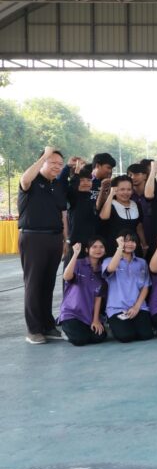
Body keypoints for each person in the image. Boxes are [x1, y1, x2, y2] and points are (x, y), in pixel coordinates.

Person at [18, 146, 68, 344]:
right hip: (33, 238)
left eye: (60, 164)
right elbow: (25, 179)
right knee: (34, 284)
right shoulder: (31, 181)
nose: (57, 166)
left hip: (54, 238)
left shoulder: (57, 186)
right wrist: (45, 155)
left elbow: (63, 214)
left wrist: (65, 240)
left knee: (48, 283)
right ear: (42, 162)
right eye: (52, 162)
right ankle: (33, 329)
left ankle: (47, 325)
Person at [102, 233, 154, 342]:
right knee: (126, 336)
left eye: (133, 241)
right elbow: (110, 269)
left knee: (146, 335)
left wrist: (137, 306)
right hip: (117, 308)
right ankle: (113, 323)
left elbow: (145, 286)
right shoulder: (109, 260)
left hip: (138, 307)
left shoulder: (142, 262)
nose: (130, 243)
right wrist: (120, 248)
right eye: (126, 241)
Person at [58, 239, 107, 346]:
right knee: (80, 340)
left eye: (101, 247)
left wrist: (96, 320)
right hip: (72, 313)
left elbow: (98, 297)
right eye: (94, 247)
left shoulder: (102, 270)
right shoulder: (79, 264)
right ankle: (65, 331)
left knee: (99, 336)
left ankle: (81, 330)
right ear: (87, 250)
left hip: (88, 314)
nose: (98, 249)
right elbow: (66, 276)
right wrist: (75, 254)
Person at [98, 175, 145, 254]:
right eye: (122, 189)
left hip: (133, 247)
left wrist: (144, 244)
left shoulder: (136, 205)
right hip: (114, 248)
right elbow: (104, 217)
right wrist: (111, 194)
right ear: (115, 190)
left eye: (129, 189)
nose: (126, 192)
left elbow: (139, 227)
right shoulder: (110, 204)